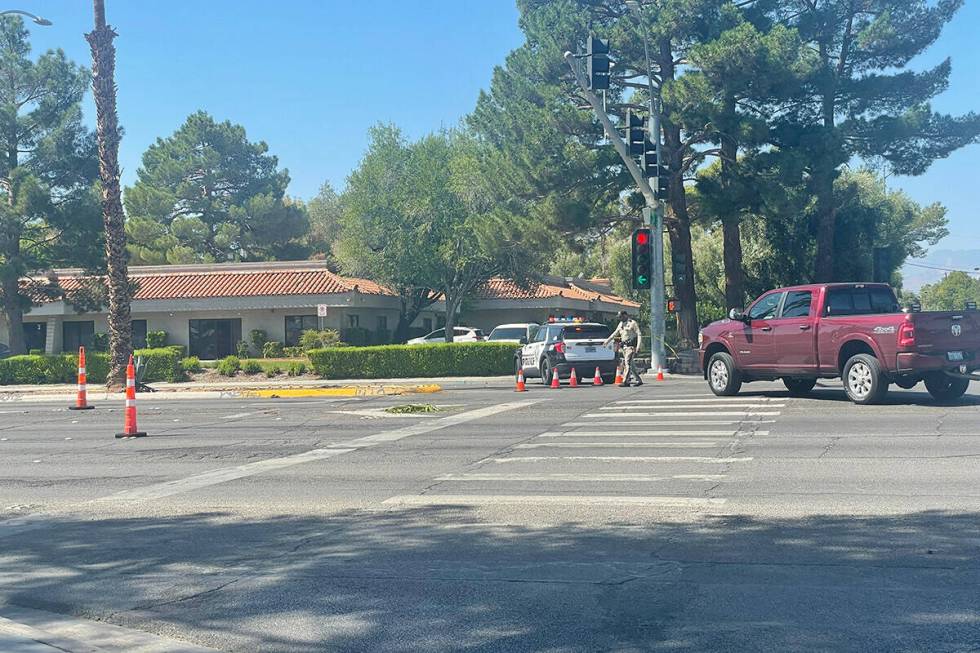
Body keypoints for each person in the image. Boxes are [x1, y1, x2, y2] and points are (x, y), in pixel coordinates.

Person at [604, 311, 643, 387]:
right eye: (619, 317)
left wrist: (638, 346)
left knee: (627, 363)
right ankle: (639, 380)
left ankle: (625, 381)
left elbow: (639, 334)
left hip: (631, 347)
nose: (620, 318)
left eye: (621, 317)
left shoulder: (632, 323)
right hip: (624, 347)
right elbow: (615, 333)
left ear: (625, 315)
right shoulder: (621, 324)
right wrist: (607, 341)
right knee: (631, 364)